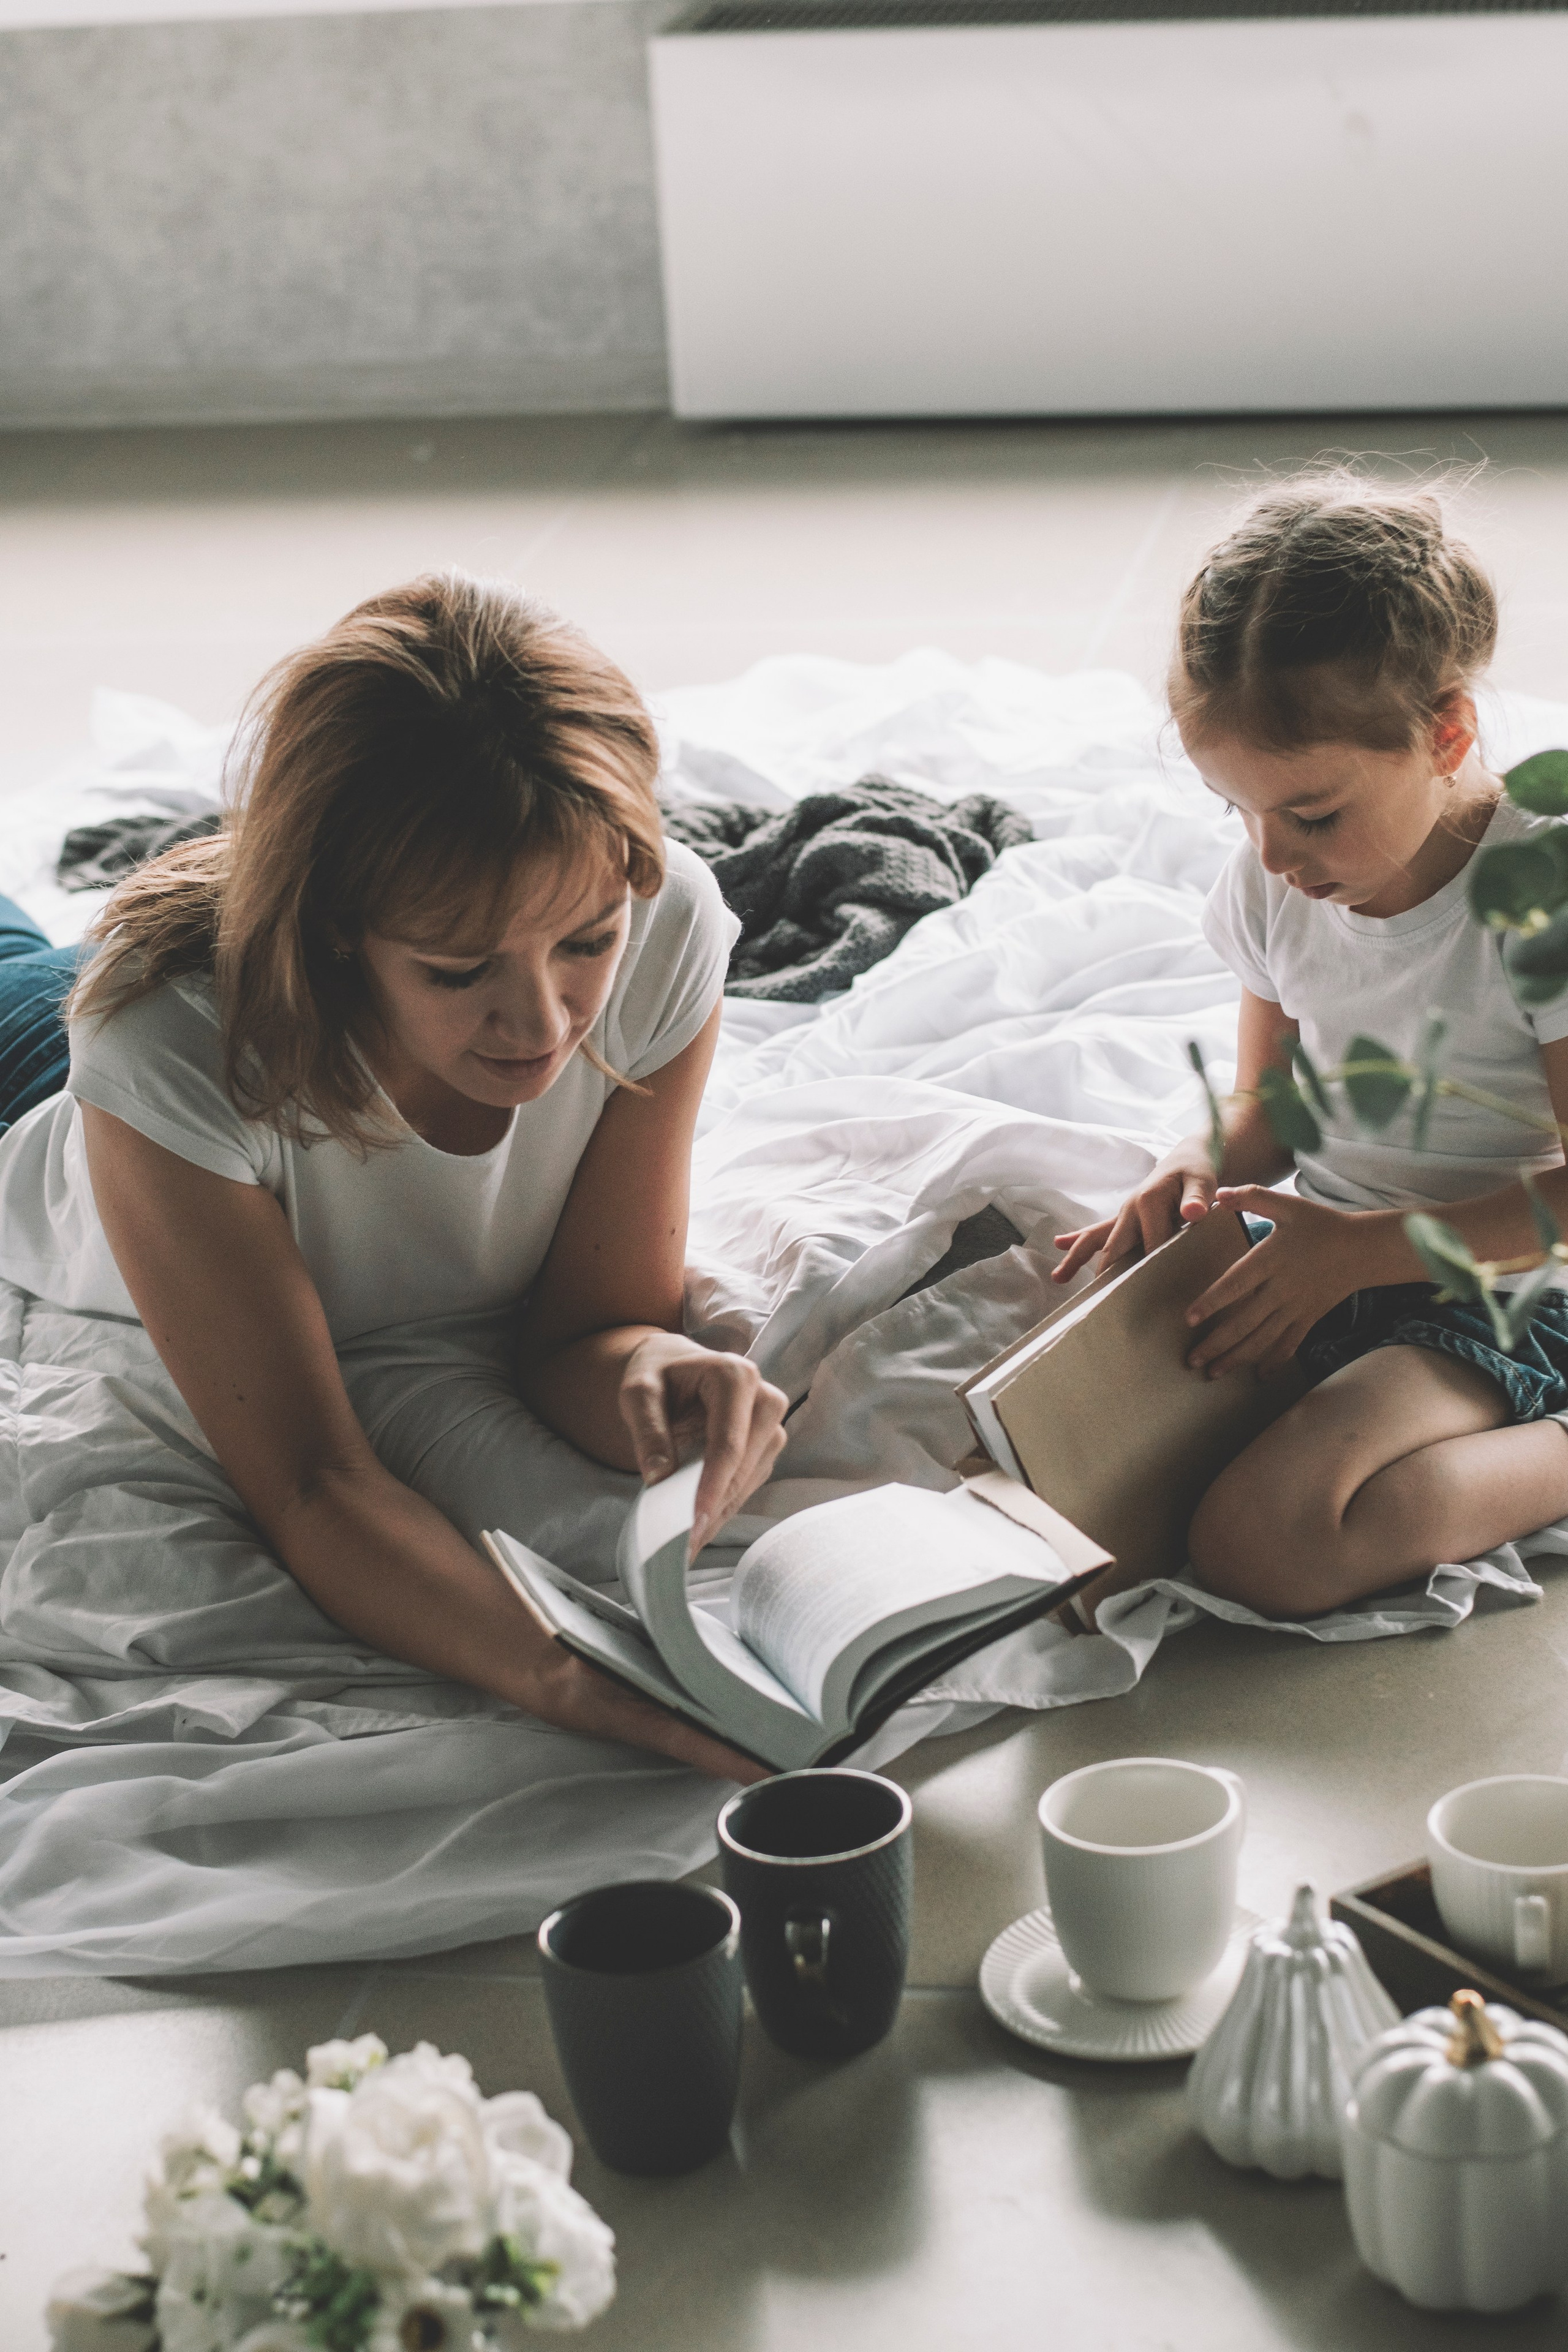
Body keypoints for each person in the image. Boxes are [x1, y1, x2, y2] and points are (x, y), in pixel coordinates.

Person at [0, 572, 785, 1780]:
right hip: (43, 1072)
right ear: (337, 931)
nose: (541, 1021)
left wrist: (659, 1367)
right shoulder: (168, 1046)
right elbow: (314, 1485)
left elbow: (587, 1326)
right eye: (459, 967)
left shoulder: (666, 917)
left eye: (583, 945)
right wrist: (569, 1678)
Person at [1053, 475, 1568, 1622]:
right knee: (1077, 1464)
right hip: (1343, 1252)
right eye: (1235, 810)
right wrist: (1199, 1161)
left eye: (1312, 812)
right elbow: (1272, 1107)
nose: (1272, 855)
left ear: (1447, 733)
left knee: (1268, 1544)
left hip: (1513, 1283)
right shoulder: (1276, 885)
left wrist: (1368, 1250)